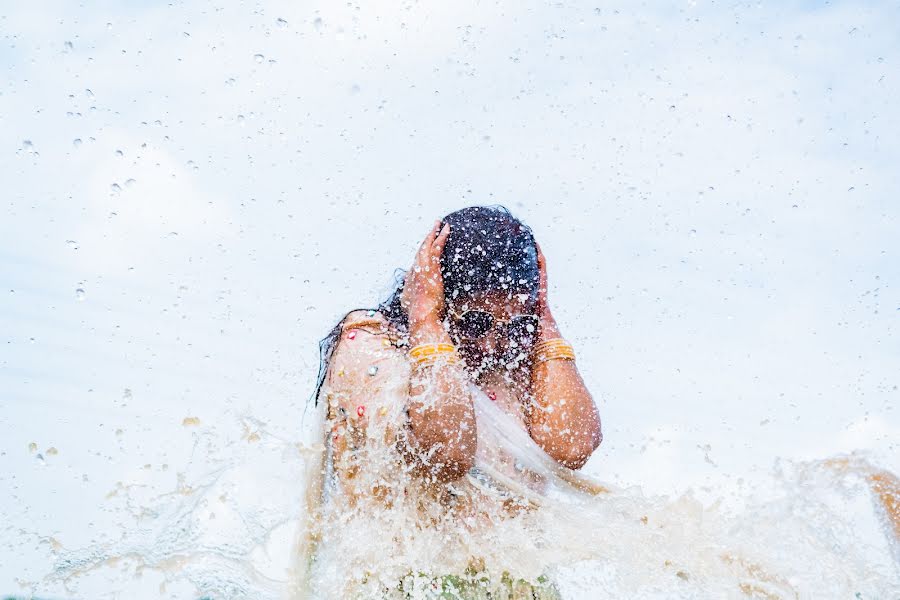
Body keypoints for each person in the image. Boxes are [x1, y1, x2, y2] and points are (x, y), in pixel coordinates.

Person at [297, 205, 603, 599]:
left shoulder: (516, 360)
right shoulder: (370, 344)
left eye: (513, 324)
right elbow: (447, 453)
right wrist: (425, 320)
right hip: (404, 588)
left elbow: (572, 446)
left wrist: (543, 323)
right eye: (476, 323)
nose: (493, 343)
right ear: (434, 292)